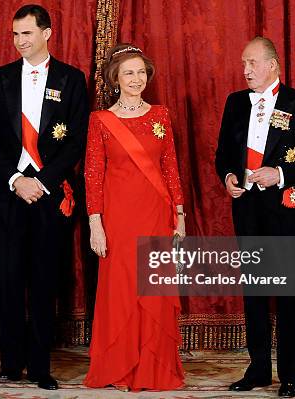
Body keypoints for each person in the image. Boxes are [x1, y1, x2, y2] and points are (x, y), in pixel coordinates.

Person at [0, 4, 89, 391]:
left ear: (47, 33)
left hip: (49, 193)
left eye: (26, 33)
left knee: (45, 280)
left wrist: (41, 181)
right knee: (9, 278)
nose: (19, 41)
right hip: (10, 192)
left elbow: (76, 140)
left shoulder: (72, 80)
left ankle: (40, 366)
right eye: (15, 34)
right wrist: (14, 178)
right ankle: (10, 363)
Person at [215, 37, 295, 398]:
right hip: (247, 211)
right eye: (243, 64)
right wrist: (229, 178)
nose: (245, 70)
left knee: (289, 295)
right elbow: (222, 155)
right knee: (255, 294)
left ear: (272, 64)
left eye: (252, 63)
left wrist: (279, 174)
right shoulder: (235, 103)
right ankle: (259, 369)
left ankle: (291, 375)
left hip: (286, 213)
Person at [83, 43, 186, 392]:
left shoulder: (161, 115)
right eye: (129, 72)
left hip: (156, 213)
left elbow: (170, 167)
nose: (137, 78)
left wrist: (180, 214)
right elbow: (93, 175)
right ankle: (120, 366)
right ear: (116, 78)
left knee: (153, 288)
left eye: (141, 72)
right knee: (122, 290)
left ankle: (153, 367)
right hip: (118, 217)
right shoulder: (101, 120)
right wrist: (95, 223)